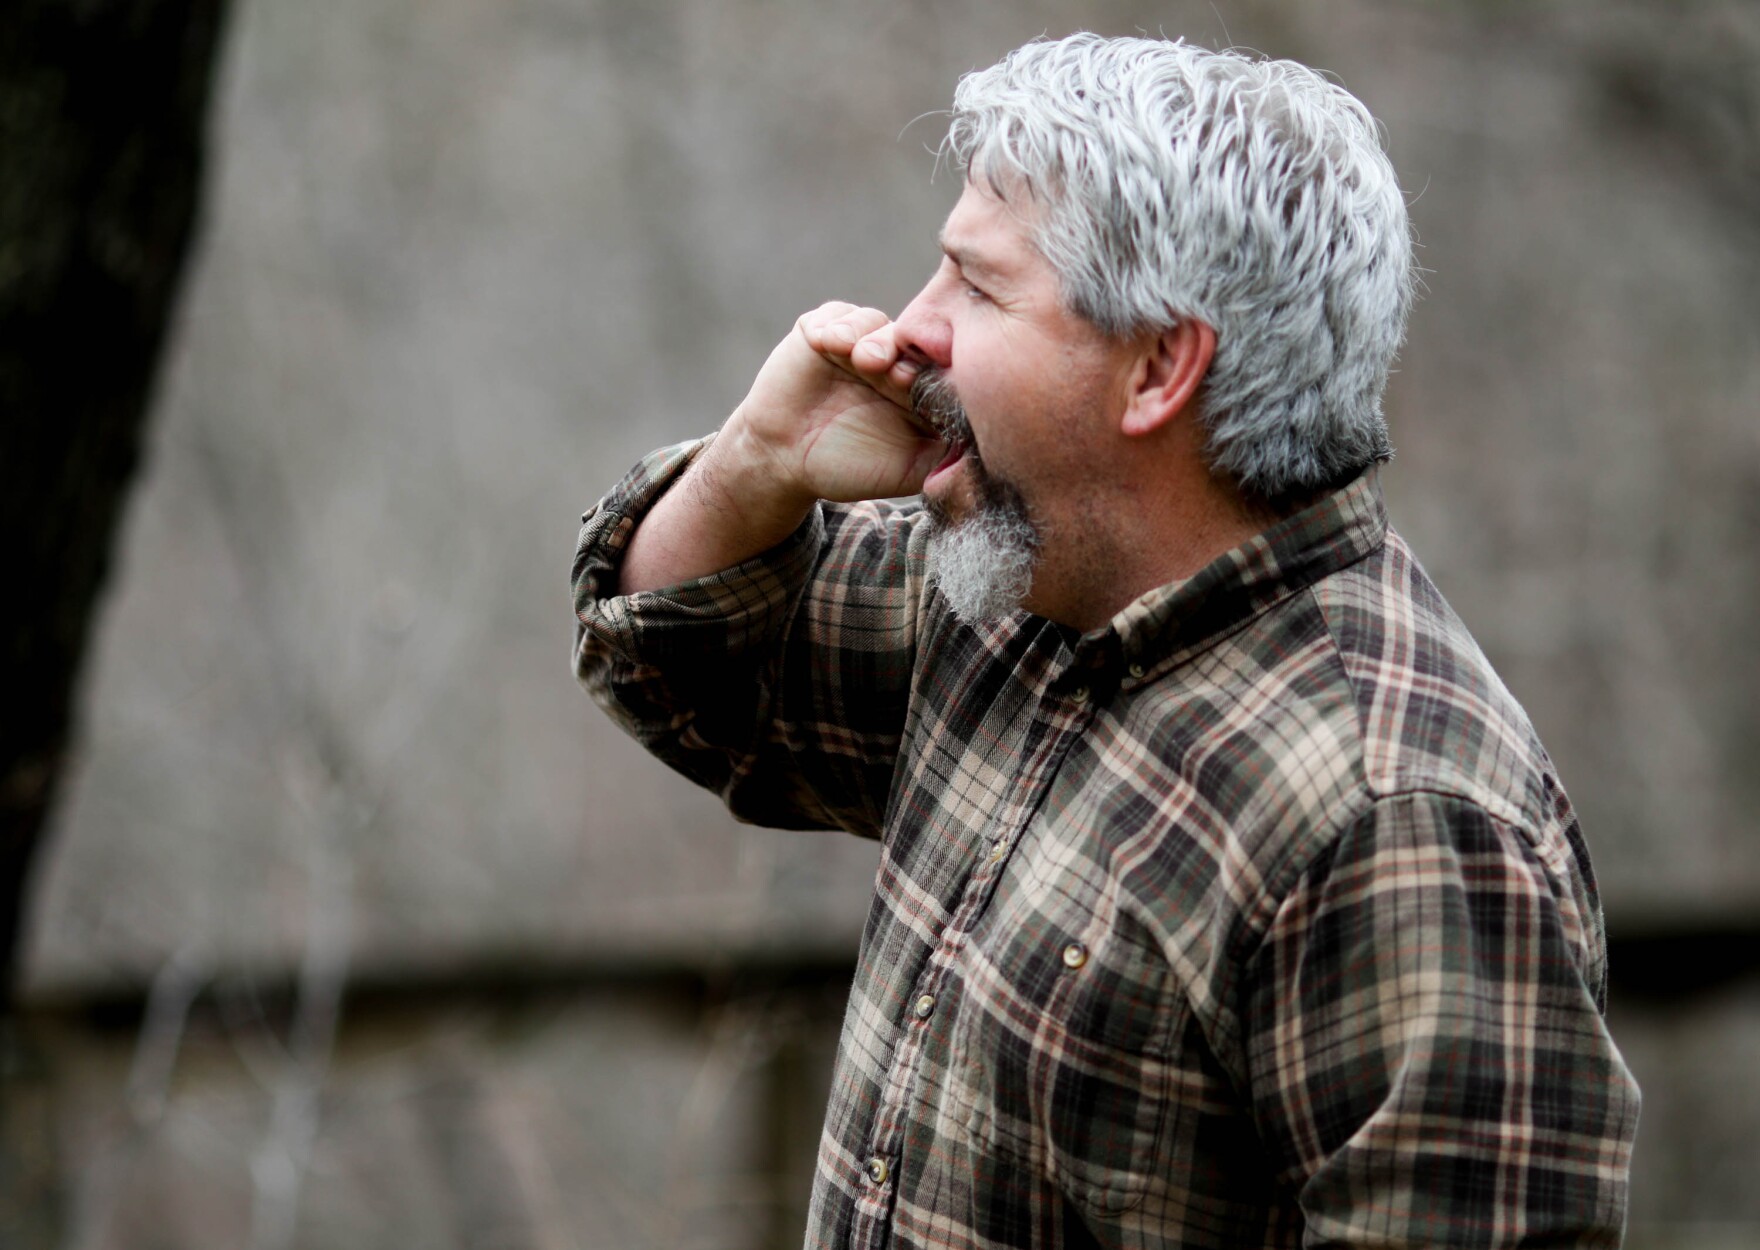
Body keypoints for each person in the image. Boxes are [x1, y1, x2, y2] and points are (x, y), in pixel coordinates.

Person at [571, 33, 1639, 1250]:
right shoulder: (1009, 585)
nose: (908, 331)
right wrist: (757, 465)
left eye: (975, 288)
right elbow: (684, 669)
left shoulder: (1396, 822)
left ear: (1156, 368)